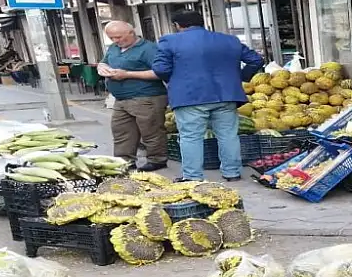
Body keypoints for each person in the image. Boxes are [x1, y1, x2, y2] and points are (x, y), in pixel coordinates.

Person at [152, 10, 264, 182]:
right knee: (228, 135)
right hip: (226, 95)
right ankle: (232, 172)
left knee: (190, 136)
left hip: (190, 96)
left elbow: (160, 69)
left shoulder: (170, 41)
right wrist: (240, 77)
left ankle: (192, 176)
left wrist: (176, 81)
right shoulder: (229, 40)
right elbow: (256, 60)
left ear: (177, 25)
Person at [98, 21, 169, 172]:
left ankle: (157, 159)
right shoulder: (113, 48)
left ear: (131, 33)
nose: (116, 41)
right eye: (111, 38)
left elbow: (160, 73)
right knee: (121, 131)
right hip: (120, 99)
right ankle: (125, 160)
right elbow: (104, 62)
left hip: (146, 97)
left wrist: (127, 74)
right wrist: (102, 67)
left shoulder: (149, 49)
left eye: (118, 37)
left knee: (151, 130)